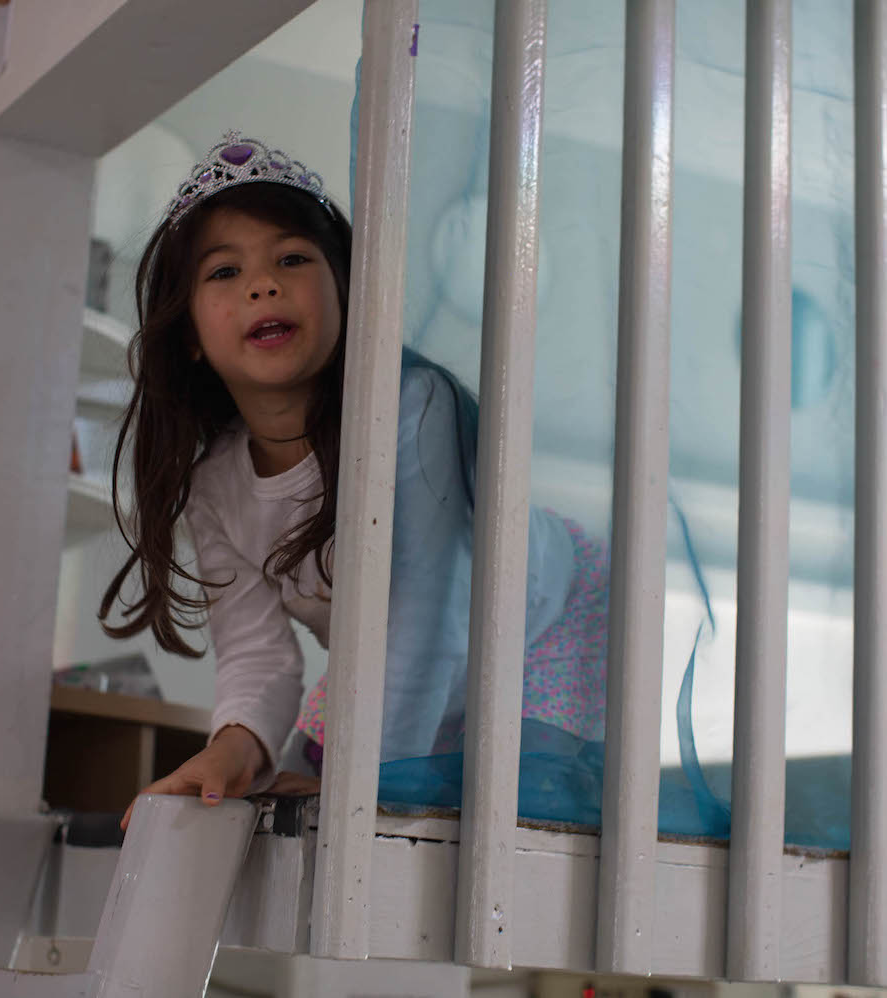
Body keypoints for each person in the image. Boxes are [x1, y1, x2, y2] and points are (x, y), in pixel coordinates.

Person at [102, 134, 608, 827]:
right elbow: (256, 653)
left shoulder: (412, 408)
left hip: (551, 624)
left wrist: (361, 784)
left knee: (503, 811)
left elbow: (428, 615)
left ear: (347, 291)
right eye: (224, 271)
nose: (262, 284)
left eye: (292, 258)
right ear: (189, 334)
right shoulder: (215, 485)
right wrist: (229, 751)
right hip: (399, 656)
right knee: (296, 798)